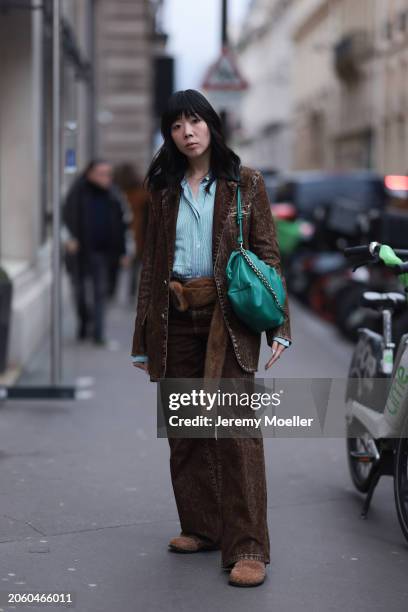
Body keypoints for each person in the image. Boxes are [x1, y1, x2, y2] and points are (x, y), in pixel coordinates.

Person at [131, 90, 291, 587]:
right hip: (176, 319)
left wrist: (279, 325)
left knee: (237, 436)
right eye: (177, 124)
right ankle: (201, 526)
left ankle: (248, 547)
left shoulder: (245, 183)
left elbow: (267, 254)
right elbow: (152, 266)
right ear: (169, 134)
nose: (187, 132)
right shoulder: (161, 188)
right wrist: (143, 339)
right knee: (186, 431)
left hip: (229, 319)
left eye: (195, 120)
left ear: (211, 126)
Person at [63, 159, 129, 344]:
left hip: (104, 253)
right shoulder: (77, 193)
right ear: (90, 174)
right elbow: (66, 218)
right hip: (80, 253)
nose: (106, 178)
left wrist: (124, 252)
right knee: (81, 293)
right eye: (101, 173)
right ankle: (84, 323)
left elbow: (122, 224)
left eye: (108, 174)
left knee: (101, 293)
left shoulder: (114, 195)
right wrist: (69, 239)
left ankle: (98, 334)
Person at [113, 163, 149, 301]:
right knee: (135, 267)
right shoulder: (143, 193)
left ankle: (115, 290)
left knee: (120, 264)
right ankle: (132, 293)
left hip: (126, 233)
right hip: (138, 233)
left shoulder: (117, 192)